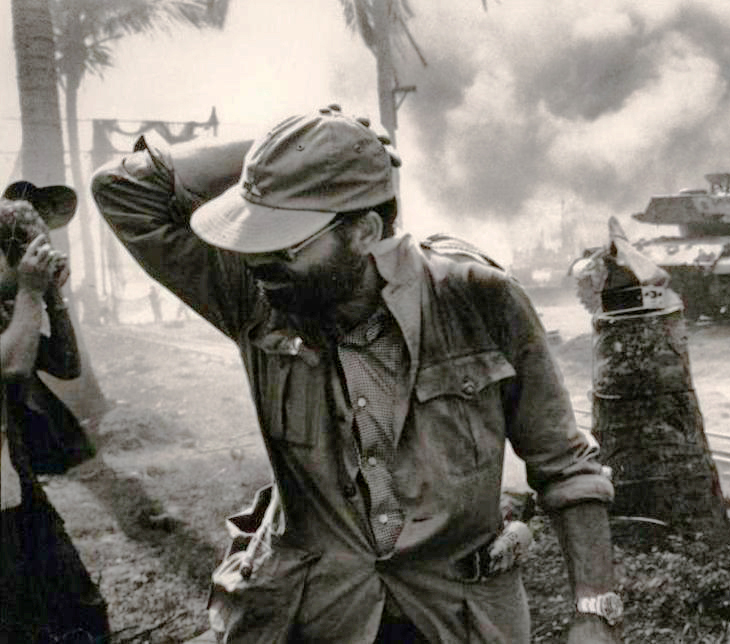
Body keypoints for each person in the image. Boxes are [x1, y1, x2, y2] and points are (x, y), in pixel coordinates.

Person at [92, 104, 623, 643]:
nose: (258, 263)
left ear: (364, 231)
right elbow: (121, 190)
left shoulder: (477, 298)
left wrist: (593, 613)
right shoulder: (255, 298)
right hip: (314, 617)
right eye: (254, 241)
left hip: (458, 622)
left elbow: (566, 465)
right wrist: (294, 146)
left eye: (287, 246)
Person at [1, 188, 110, 643]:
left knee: (78, 608)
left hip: (14, 483)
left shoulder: (10, 306)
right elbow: (12, 366)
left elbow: (65, 365)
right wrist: (29, 292)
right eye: (26, 257)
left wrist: (54, 300)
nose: (37, 267)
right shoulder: (16, 301)